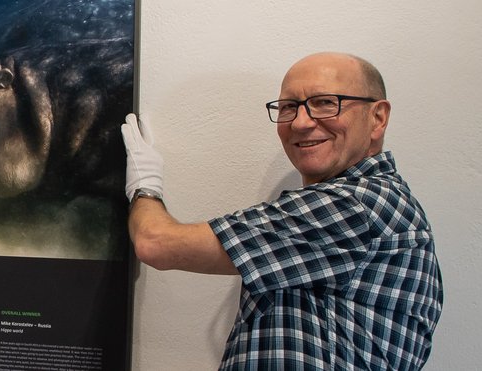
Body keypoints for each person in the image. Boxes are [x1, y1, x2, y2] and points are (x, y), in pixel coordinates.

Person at [121, 52, 442, 369]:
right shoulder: (363, 204)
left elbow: (156, 243)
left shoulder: (357, 205)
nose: (301, 122)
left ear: (378, 117)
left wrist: (144, 186)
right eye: (289, 107)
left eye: (326, 102)